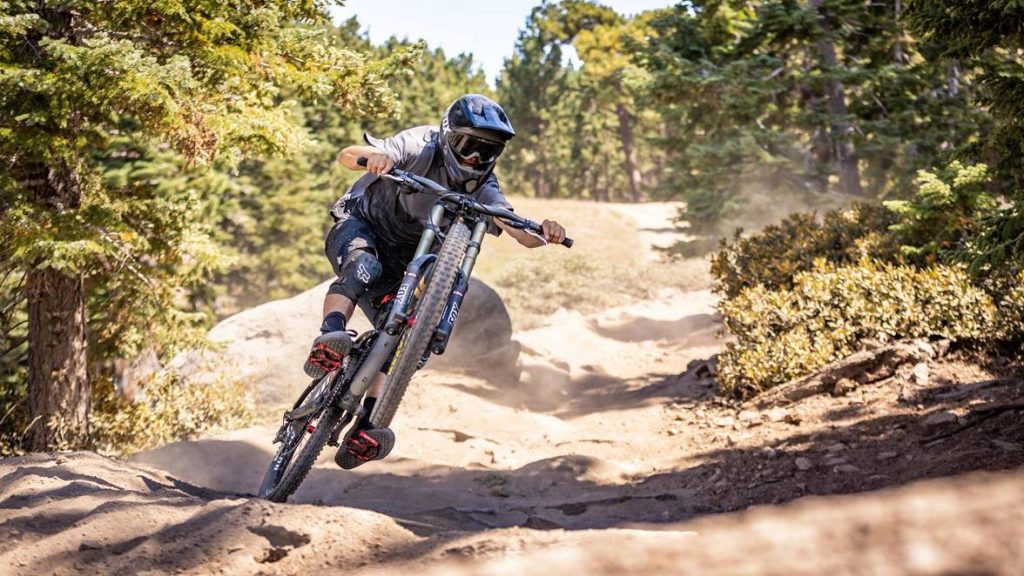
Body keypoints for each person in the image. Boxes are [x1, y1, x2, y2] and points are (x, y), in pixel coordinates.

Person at [306, 94, 566, 470]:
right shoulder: (419, 143)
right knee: (364, 266)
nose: (475, 158)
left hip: (406, 260)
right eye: (468, 145)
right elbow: (348, 156)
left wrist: (547, 232)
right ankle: (330, 336)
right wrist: (379, 158)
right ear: (447, 135)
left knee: (407, 340)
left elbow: (518, 230)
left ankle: (367, 422)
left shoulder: (483, 184)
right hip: (363, 226)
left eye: (486, 150)